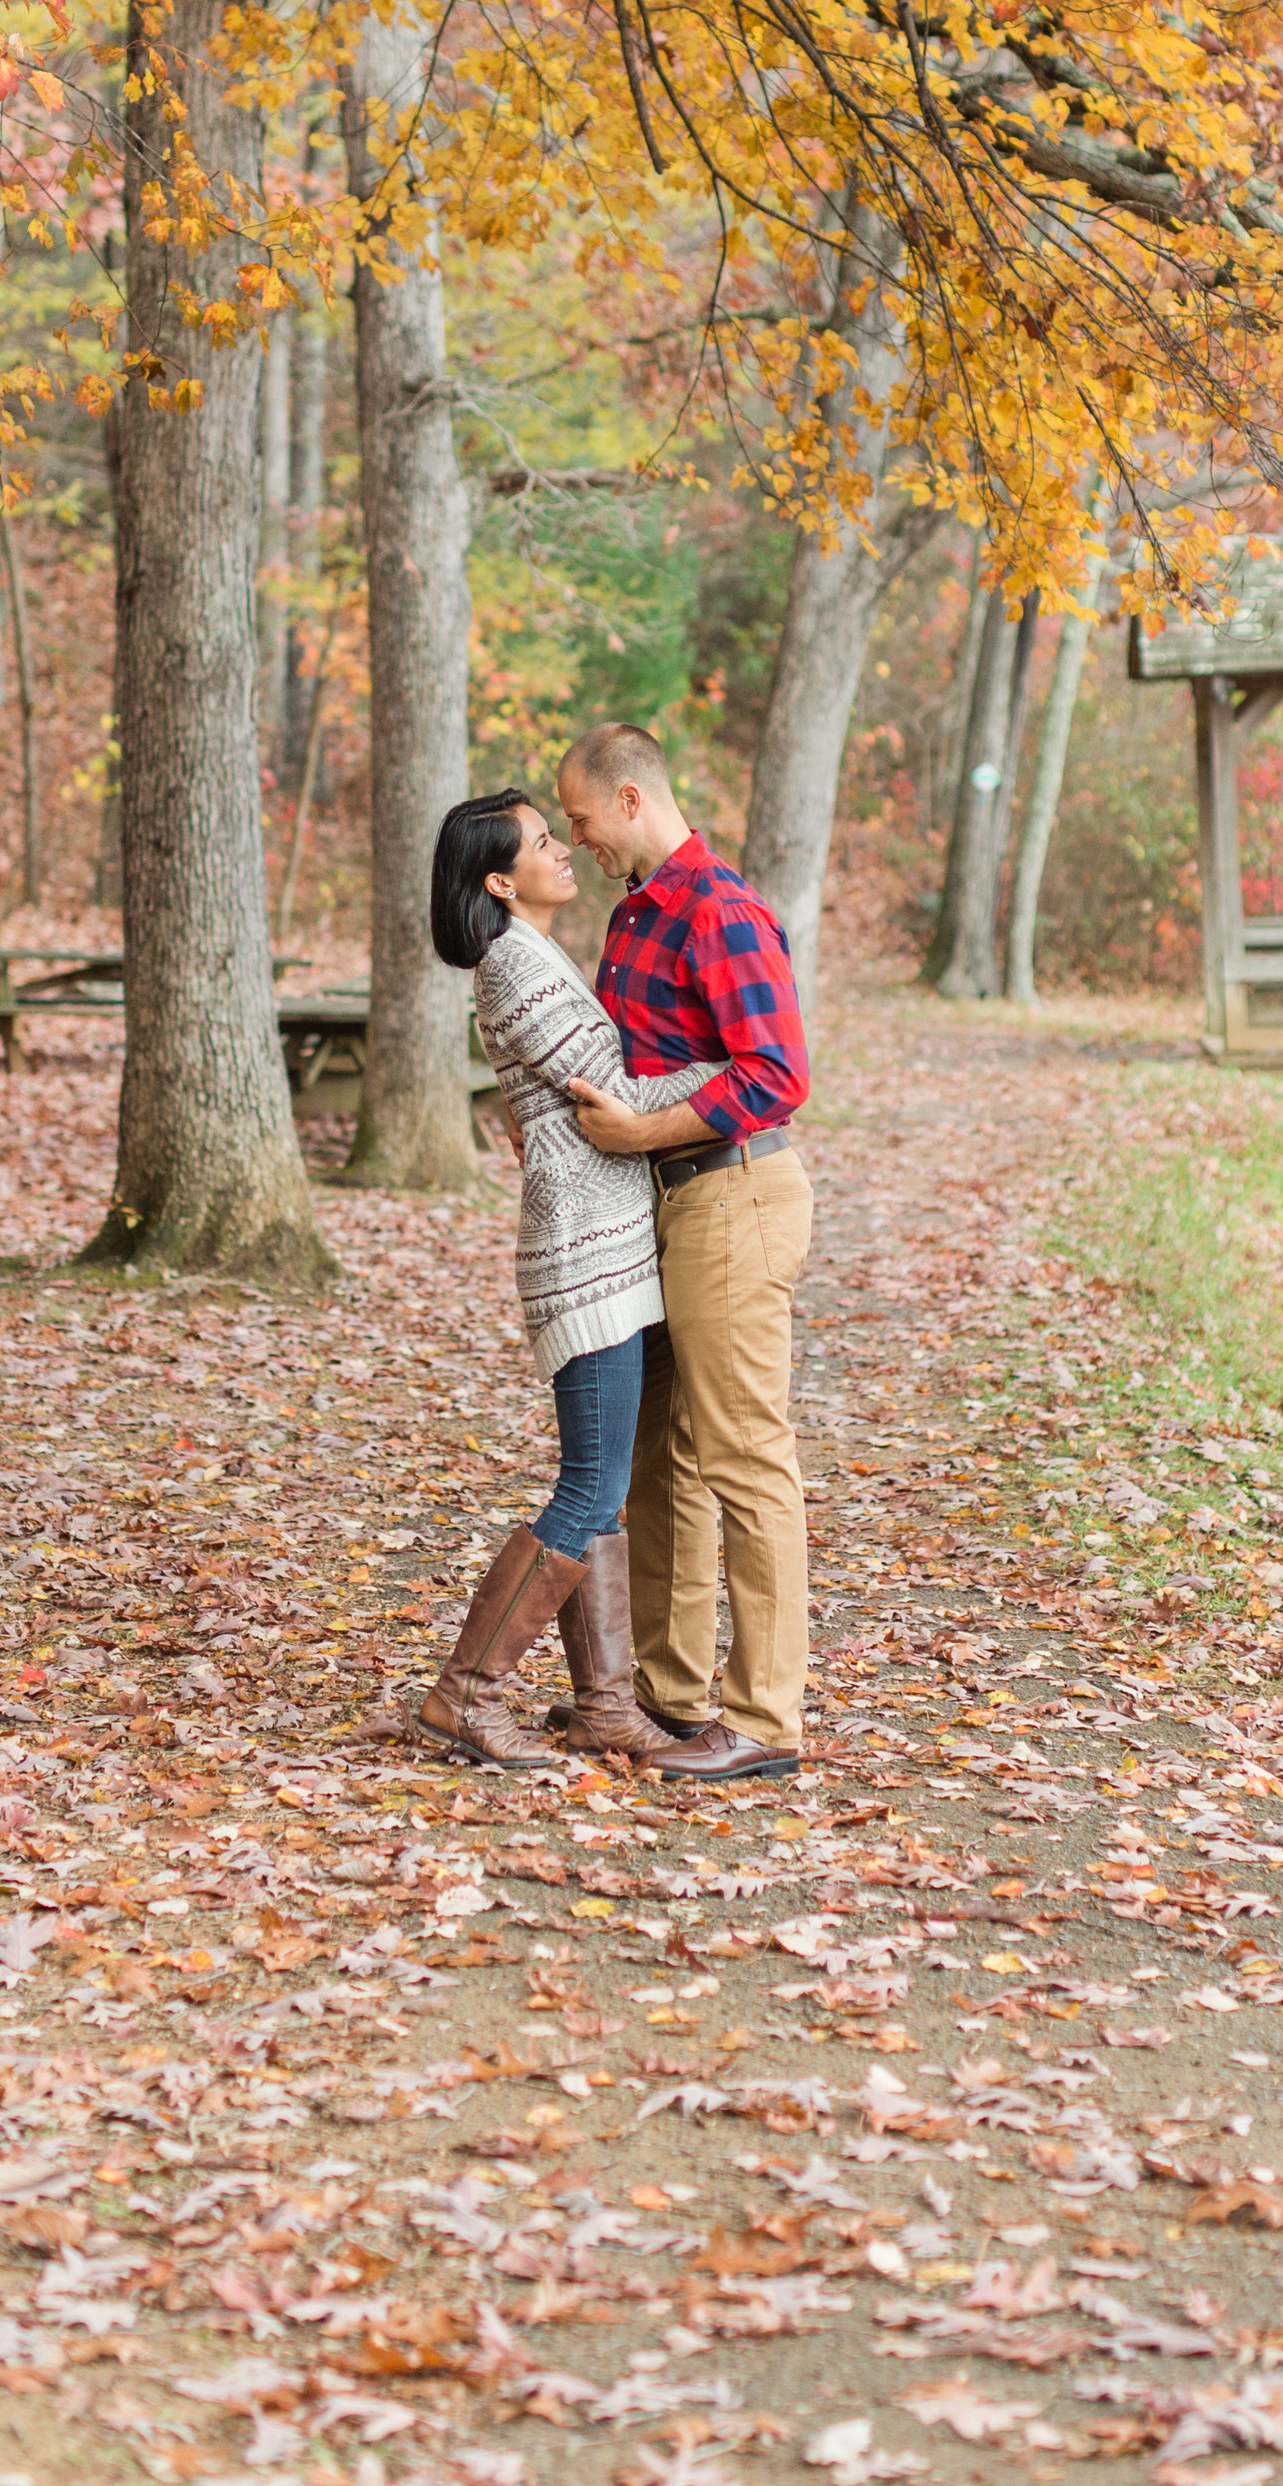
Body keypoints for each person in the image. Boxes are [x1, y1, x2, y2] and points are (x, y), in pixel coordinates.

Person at [412, 789, 723, 1769]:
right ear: (500, 880)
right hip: (583, 1253)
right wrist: (731, 1076)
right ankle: (466, 1696)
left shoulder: (532, 955)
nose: (563, 850)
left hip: (607, 1240)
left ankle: (603, 1706)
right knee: (587, 1488)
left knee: (607, 1495)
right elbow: (616, 1094)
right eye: (545, 842)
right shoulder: (514, 964)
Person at [556, 721, 812, 1786]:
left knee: (743, 1455)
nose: (575, 843)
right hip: (655, 1207)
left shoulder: (721, 910)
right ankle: (667, 1696)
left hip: (731, 1199)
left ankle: (763, 1720)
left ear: (628, 801)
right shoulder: (636, 914)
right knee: (660, 1457)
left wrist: (641, 1134)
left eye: (579, 820)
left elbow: (776, 1075)